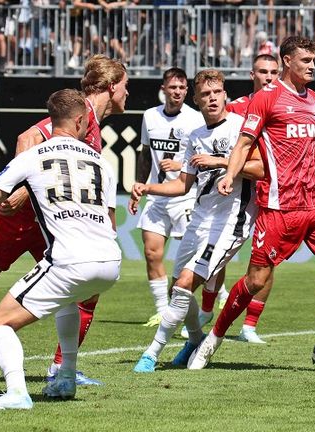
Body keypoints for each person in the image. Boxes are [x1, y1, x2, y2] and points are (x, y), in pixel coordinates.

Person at [189, 35, 315, 373]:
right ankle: (214, 338)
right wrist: (230, 174)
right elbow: (243, 144)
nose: (312, 66)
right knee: (255, 281)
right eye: (305, 60)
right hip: (278, 205)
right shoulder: (267, 99)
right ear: (287, 61)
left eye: (314, 60)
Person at [0, 54, 127, 386]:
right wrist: (20, 190)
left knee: (82, 292)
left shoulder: (93, 129)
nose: (127, 94)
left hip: (54, 229)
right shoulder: (78, 114)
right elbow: (27, 140)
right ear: (112, 86)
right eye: (125, 86)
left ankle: (61, 370)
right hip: (15, 223)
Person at [131, 69, 264, 373]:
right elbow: (182, 185)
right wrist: (147, 187)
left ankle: (151, 353)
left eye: (216, 92)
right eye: (205, 94)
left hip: (231, 221)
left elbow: (260, 169)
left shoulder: (241, 129)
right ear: (197, 100)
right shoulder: (195, 136)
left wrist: (220, 161)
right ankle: (194, 339)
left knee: (185, 284)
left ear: (225, 93)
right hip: (200, 218)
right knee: (176, 288)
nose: (212, 98)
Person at [135, 67, 205, 327]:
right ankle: (162, 311)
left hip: (185, 196)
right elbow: (145, 153)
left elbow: (200, 157)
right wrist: (140, 187)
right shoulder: (149, 116)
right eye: (172, 87)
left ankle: (210, 298)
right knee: (152, 253)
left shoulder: (195, 119)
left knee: (193, 255)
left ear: (187, 91)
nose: (177, 92)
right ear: (163, 88)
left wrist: (181, 166)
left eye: (181, 88)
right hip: (155, 196)